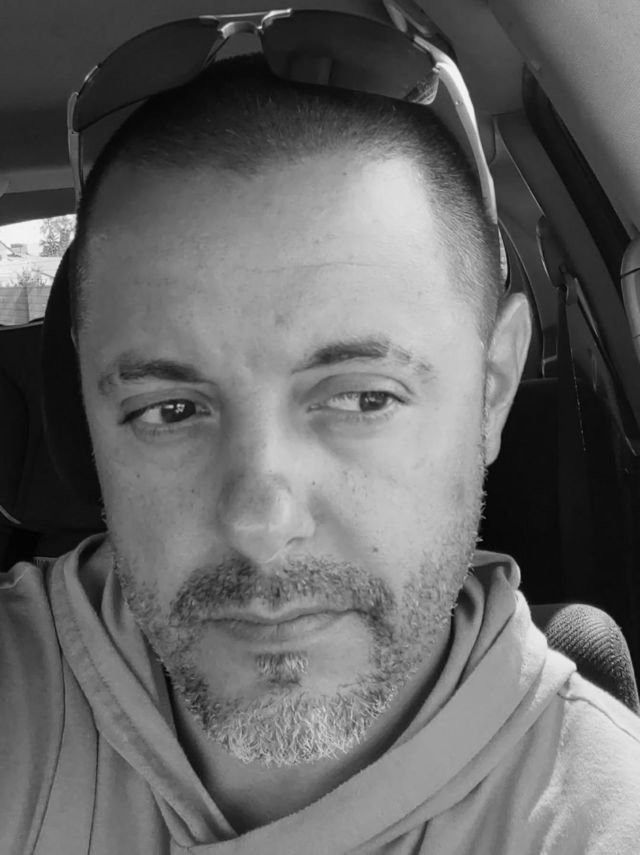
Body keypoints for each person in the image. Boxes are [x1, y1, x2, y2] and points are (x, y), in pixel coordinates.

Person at [2, 15, 640, 855]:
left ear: (491, 388)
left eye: (364, 398)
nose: (261, 523)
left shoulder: (597, 818)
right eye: (170, 410)